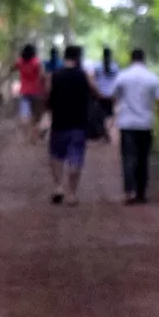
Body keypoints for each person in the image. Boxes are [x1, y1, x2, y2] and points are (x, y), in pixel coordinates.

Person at [112, 48, 159, 205]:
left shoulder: (123, 76)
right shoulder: (153, 78)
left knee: (128, 157)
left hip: (127, 123)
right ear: (144, 59)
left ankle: (129, 192)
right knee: (143, 158)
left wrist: (114, 115)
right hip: (145, 123)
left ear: (131, 59)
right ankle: (142, 192)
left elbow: (115, 95)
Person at [47, 44, 94, 205]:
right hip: (78, 123)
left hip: (59, 122)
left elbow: (47, 95)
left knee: (56, 155)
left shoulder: (54, 75)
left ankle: (58, 187)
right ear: (78, 58)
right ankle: (72, 194)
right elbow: (96, 91)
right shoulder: (84, 75)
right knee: (76, 157)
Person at [15, 44, 47, 143]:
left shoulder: (19, 62)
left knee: (25, 115)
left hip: (24, 92)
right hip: (37, 92)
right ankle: (35, 133)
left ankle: (29, 135)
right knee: (37, 115)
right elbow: (42, 76)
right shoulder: (37, 62)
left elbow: (12, 68)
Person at [91, 47, 119, 143]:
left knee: (100, 115)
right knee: (110, 115)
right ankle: (107, 131)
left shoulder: (98, 66)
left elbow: (94, 80)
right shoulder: (115, 67)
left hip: (100, 94)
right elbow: (117, 81)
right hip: (111, 94)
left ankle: (104, 132)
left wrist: (96, 92)